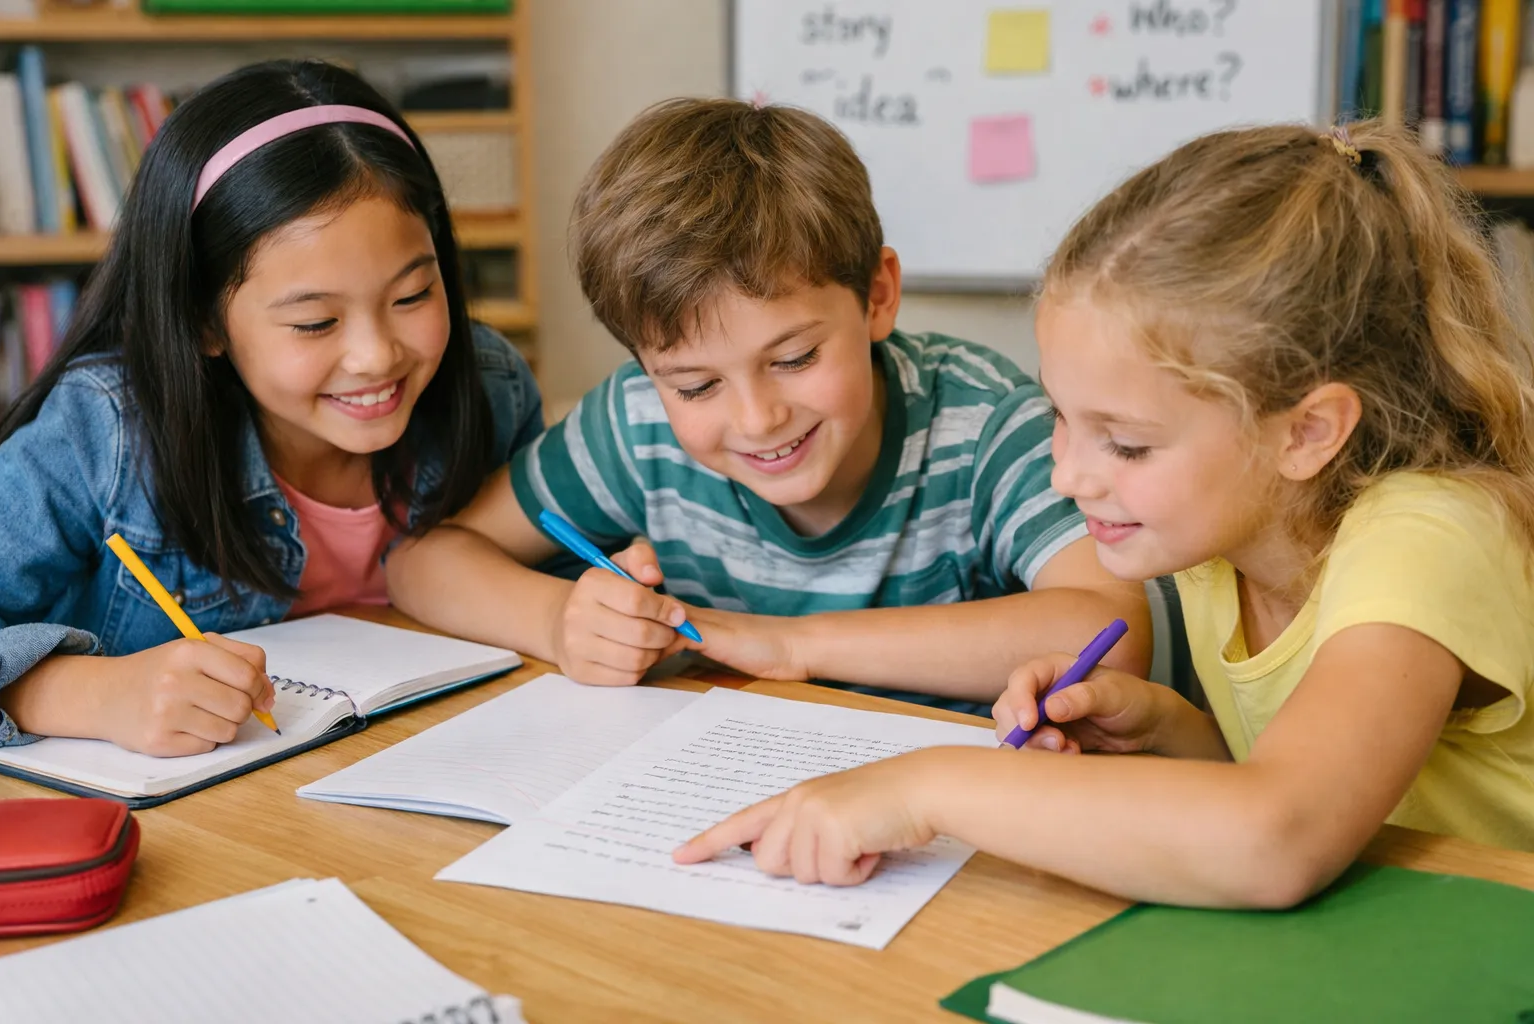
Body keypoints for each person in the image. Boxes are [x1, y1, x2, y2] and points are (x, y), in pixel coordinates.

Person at [675, 121, 1534, 905]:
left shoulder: (1430, 538)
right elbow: (1317, 786)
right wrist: (1167, 731)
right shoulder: (1215, 542)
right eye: (1060, 418)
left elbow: (1281, 836)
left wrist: (924, 787)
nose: (1067, 477)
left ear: (1306, 432)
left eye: (1124, 445)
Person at [387, 98, 1156, 714]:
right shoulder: (636, 424)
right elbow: (423, 562)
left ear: (877, 296)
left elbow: (1109, 632)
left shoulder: (984, 423)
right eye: (695, 386)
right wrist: (558, 623)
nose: (757, 419)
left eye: (793, 359)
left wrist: (788, 645)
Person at [0, 60, 543, 757]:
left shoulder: (490, 385)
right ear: (205, 322)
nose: (377, 356)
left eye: (412, 297)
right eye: (316, 323)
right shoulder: (103, 432)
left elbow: (551, 573)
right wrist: (91, 694)